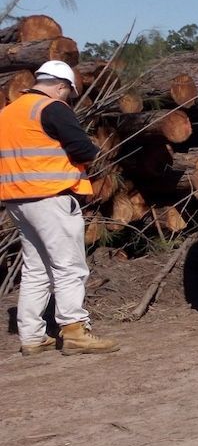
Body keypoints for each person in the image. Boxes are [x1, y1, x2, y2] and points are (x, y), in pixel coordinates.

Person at [0, 61, 118, 355]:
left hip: (17, 199)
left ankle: (31, 336)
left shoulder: (9, 112)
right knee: (69, 266)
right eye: (69, 93)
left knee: (36, 268)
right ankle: (74, 330)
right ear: (61, 86)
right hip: (50, 197)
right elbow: (83, 149)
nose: (68, 99)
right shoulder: (52, 108)